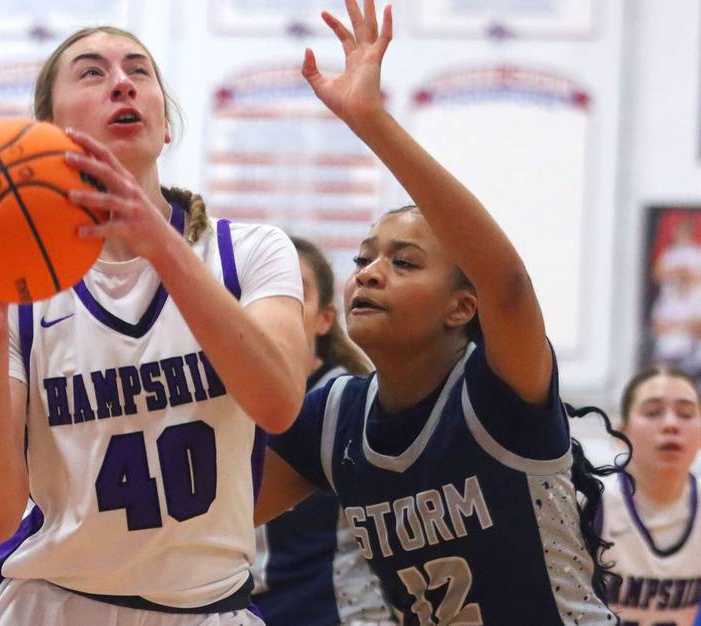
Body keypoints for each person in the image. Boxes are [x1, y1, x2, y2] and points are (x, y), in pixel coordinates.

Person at [0, 26, 307, 625]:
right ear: (45, 132)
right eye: (92, 72)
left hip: (211, 607)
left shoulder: (248, 253)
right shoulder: (23, 294)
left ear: (165, 123)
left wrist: (160, 243)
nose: (122, 83)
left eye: (138, 70)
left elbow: (279, 403)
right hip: (54, 603)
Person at [255, 1, 623, 623]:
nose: (370, 272)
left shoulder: (499, 392)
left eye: (404, 262)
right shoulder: (335, 418)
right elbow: (211, 510)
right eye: (365, 260)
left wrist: (371, 122)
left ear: (462, 307)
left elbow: (506, 282)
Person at [251, 236, 393, 625]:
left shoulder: (350, 404)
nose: (273, 306)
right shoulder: (223, 403)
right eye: (260, 290)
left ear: (325, 318)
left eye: (294, 292)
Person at [596, 365, 701, 626]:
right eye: (653, 412)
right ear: (621, 434)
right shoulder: (591, 501)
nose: (671, 424)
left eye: (686, 414)